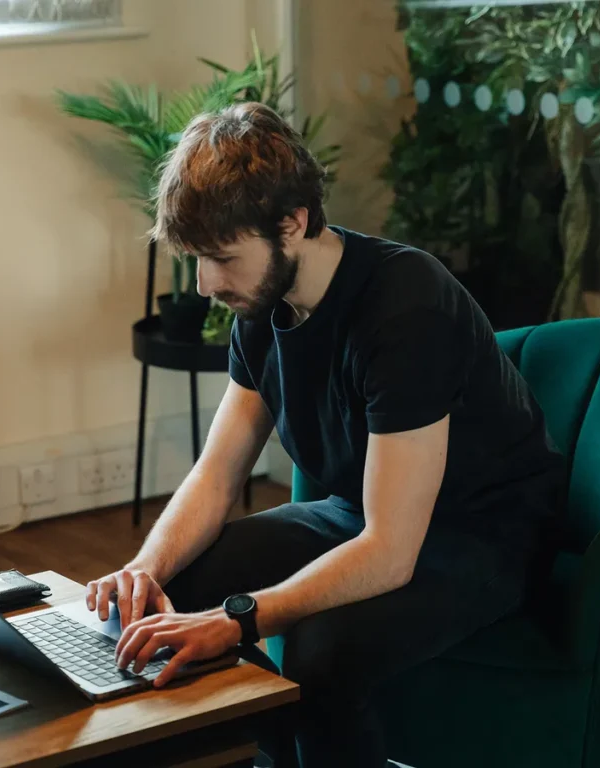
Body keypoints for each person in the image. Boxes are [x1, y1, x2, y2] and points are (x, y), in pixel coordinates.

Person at [85, 101, 566, 767]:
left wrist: (239, 618)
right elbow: (217, 474)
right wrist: (146, 568)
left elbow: (392, 551)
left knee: (322, 649)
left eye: (222, 257)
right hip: (361, 515)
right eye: (197, 260)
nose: (206, 284)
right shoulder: (260, 300)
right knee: (180, 582)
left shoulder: (406, 306)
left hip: (478, 533)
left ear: (294, 222)